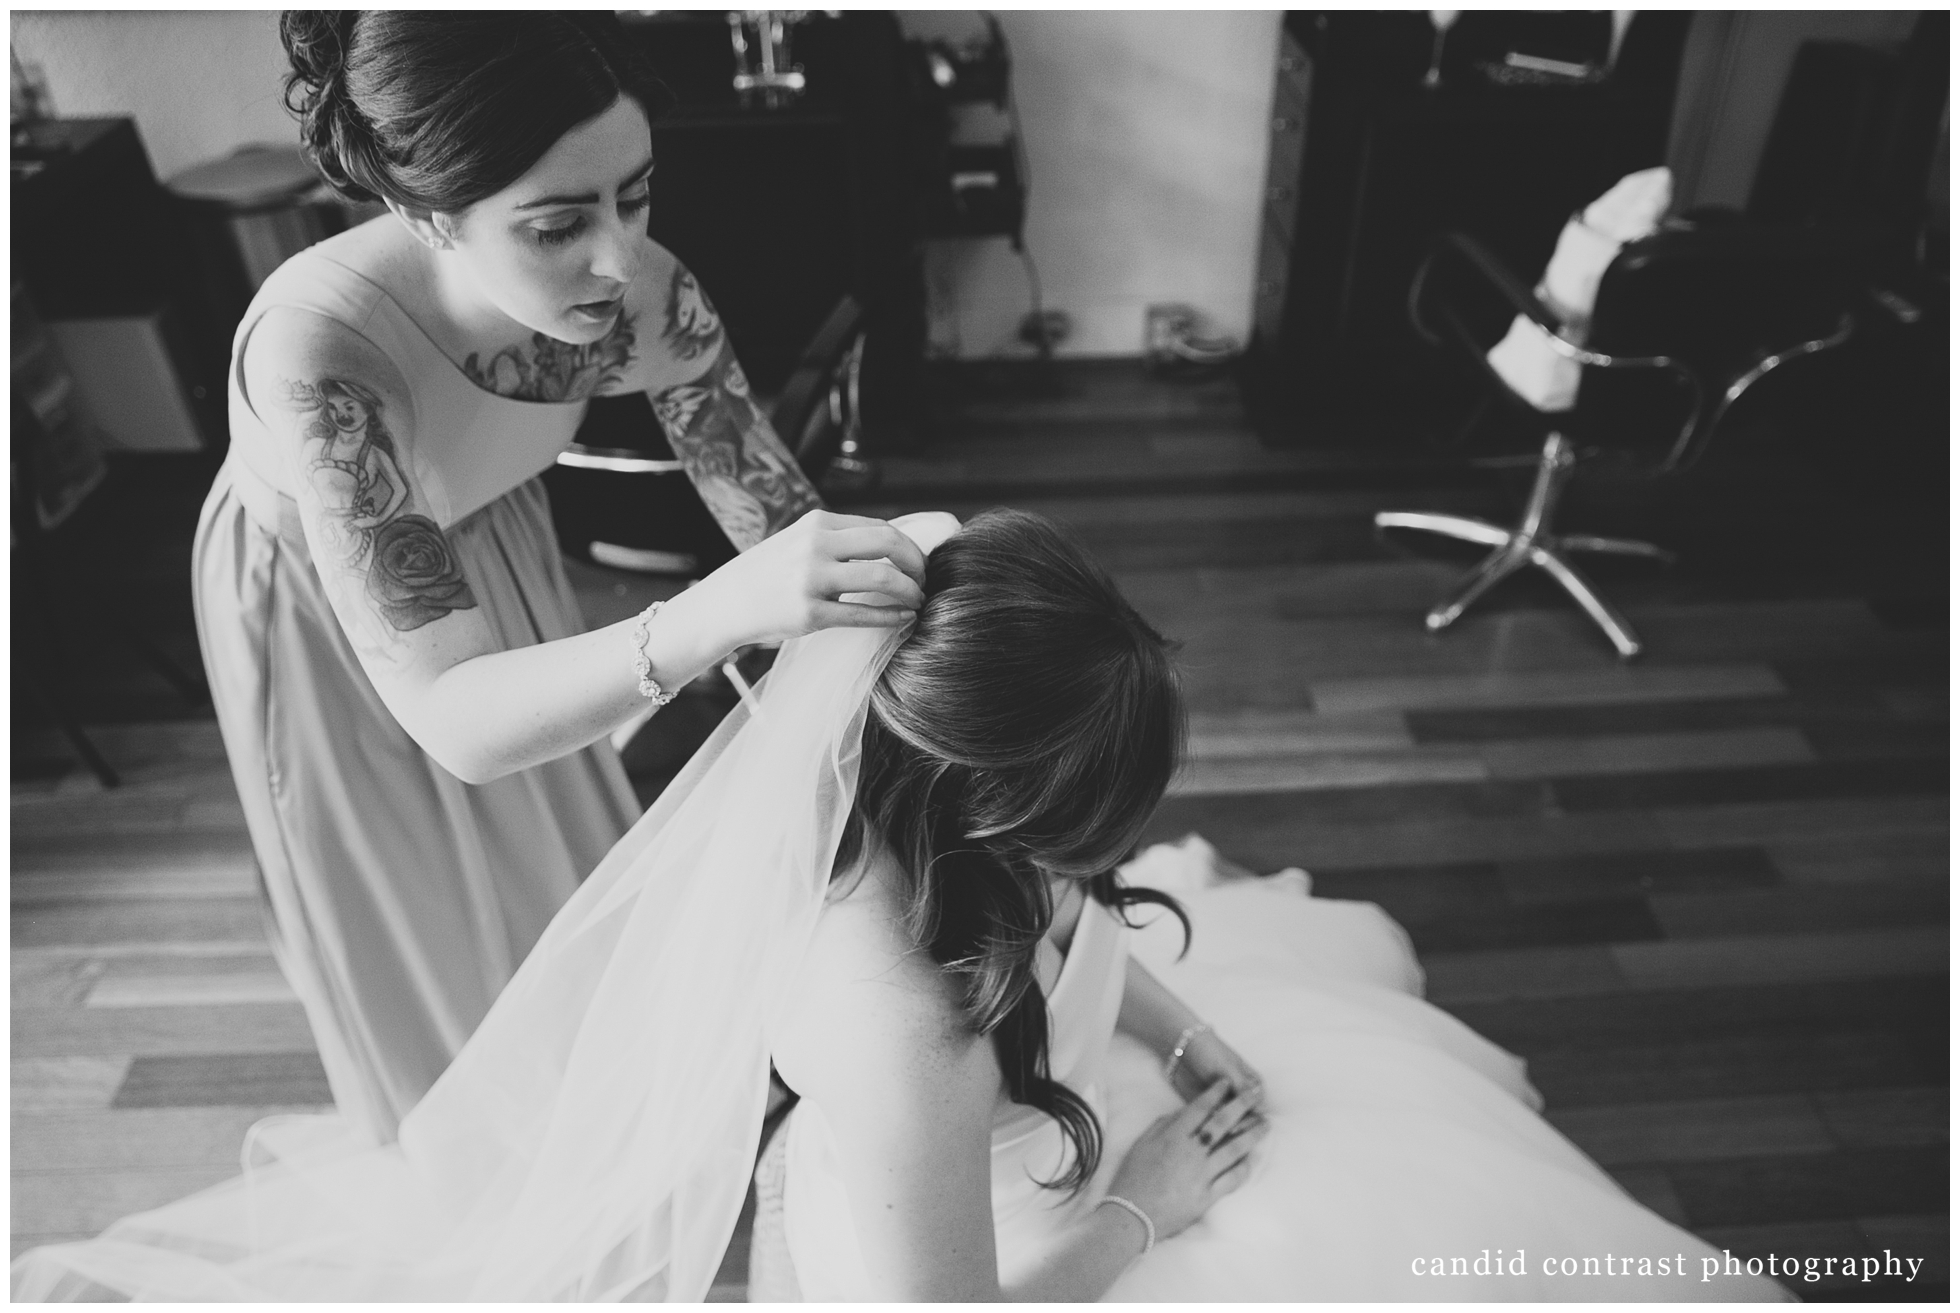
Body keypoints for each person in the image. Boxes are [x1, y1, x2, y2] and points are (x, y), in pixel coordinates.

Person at [14, 510, 1792, 1302]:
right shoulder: (895, 1028)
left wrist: (1184, 1025)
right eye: (1080, 823)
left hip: (1069, 1107)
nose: (1101, 854)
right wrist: (1153, 1204)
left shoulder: (959, 812)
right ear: (985, 795)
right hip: (1025, 1250)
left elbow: (1080, 913)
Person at [195, 10, 927, 1143]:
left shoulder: (645, 296)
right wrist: (716, 615)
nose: (617, 258)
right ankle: (474, 1183)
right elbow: (461, 718)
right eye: (554, 225)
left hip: (497, 547)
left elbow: (775, 520)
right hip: (323, 621)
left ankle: (597, 1129)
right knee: (422, 939)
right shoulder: (320, 354)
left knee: (564, 876)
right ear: (422, 210)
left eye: (634, 194)